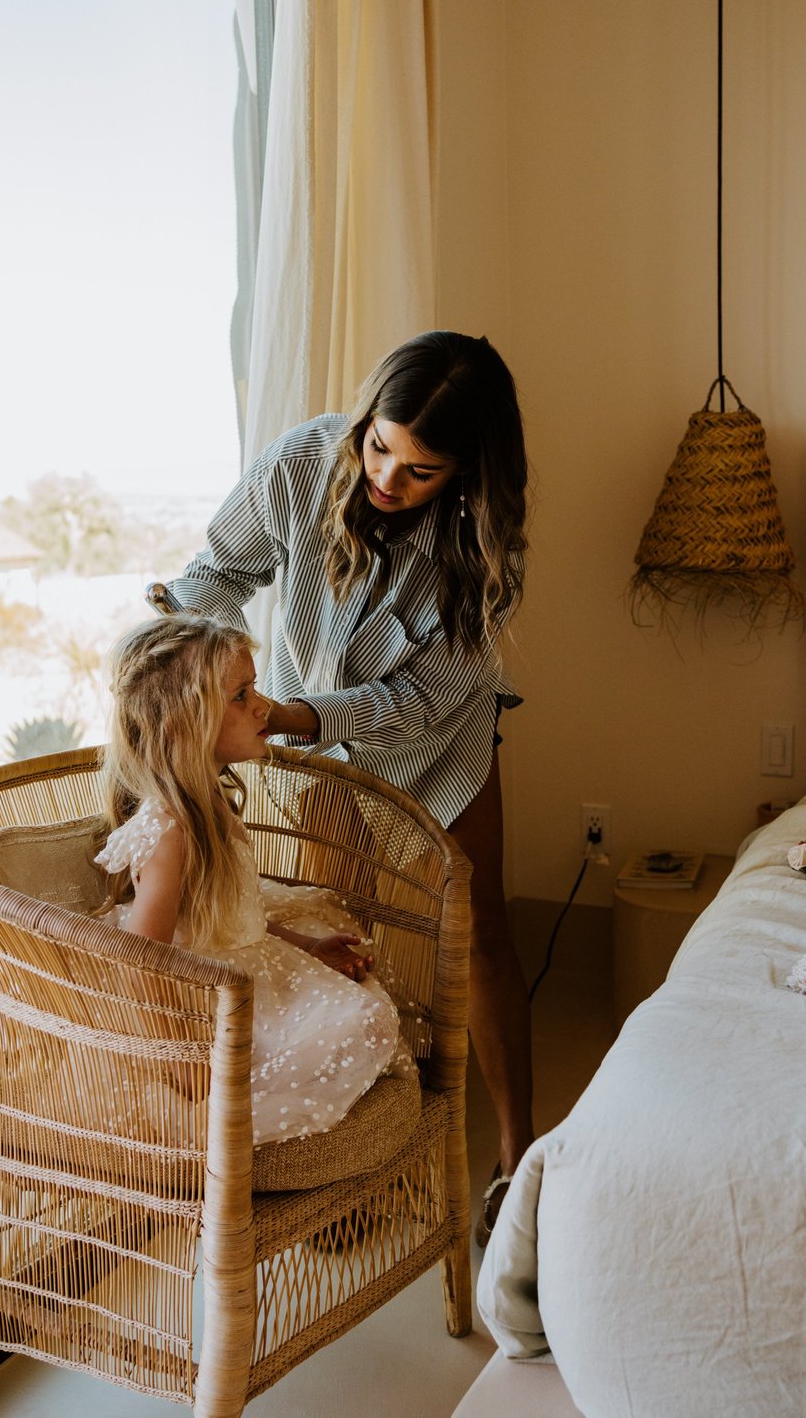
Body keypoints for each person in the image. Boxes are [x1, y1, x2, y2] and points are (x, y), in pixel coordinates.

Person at [167, 329, 534, 1244]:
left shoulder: (482, 549)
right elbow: (216, 575)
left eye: (421, 470)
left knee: (480, 933)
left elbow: (416, 699)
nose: (387, 479)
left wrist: (293, 718)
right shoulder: (301, 464)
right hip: (322, 755)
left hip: (439, 749)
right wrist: (198, 672)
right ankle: (357, 1156)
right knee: (348, 939)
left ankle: (520, 1159)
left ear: (466, 472)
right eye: (380, 446)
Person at [95, 612, 413, 1146]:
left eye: (255, 688)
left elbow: (234, 918)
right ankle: (243, 1118)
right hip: (211, 1001)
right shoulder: (171, 831)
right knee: (361, 1024)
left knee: (369, 1014)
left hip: (251, 966)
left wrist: (307, 945)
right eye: (241, 695)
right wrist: (185, 1064)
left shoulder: (212, 800)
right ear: (185, 720)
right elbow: (141, 966)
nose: (264, 705)